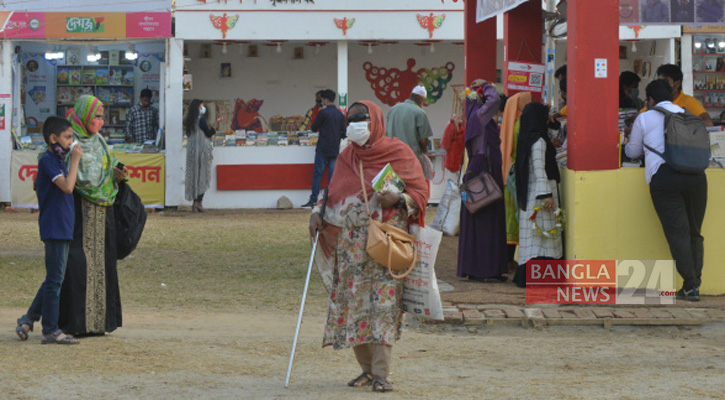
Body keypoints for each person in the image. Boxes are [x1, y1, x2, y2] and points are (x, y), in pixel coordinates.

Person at [308, 100, 428, 393]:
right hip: (351, 249)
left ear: (375, 121)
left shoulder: (398, 152)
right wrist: (316, 212)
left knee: (383, 308)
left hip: (385, 245)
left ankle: (381, 374)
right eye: (352, 119)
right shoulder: (347, 156)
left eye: (362, 119)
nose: (355, 125)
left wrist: (398, 200)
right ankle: (365, 371)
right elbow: (332, 193)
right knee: (354, 307)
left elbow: (420, 192)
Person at [625, 79, 708, 301]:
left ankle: (690, 286)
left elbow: (632, 152)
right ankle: (694, 284)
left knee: (677, 234)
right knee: (694, 232)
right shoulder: (687, 113)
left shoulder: (645, 117)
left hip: (665, 179)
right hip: (697, 178)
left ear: (650, 100)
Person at [58, 95, 128, 335]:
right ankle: (77, 324)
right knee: (77, 267)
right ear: (83, 115)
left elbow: (111, 166)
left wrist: (119, 175)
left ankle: (99, 323)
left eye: (101, 117)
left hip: (103, 215)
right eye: (96, 116)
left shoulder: (100, 142)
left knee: (103, 267)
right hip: (77, 213)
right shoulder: (69, 142)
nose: (100, 121)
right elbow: (62, 174)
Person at [15, 117, 83, 344]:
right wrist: (75, 161)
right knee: (55, 280)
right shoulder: (48, 160)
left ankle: (28, 318)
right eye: (67, 137)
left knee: (54, 278)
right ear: (54, 138)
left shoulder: (57, 159)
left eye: (71, 138)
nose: (71, 142)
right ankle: (51, 330)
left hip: (62, 225)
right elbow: (67, 187)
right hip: (54, 226)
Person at [456, 79, 508, 282]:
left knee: (477, 220)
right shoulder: (480, 115)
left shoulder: (474, 117)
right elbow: (494, 99)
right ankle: (487, 270)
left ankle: (478, 269)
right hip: (484, 171)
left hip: (477, 170)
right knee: (487, 220)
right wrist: (486, 85)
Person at [513, 102, 563, 288]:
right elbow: (539, 168)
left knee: (533, 238)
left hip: (531, 192)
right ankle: (542, 277)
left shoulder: (527, 137)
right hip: (541, 194)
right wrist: (546, 195)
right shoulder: (539, 141)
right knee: (544, 235)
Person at [500, 91, 532, 271]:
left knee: (509, 218)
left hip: (507, 174)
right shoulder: (520, 125)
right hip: (515, 175)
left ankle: (508, 258)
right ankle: (509, 259)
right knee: (513, 218)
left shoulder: (509, 122)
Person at [301, 89, 346, 208]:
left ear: (325, 99)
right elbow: (344, 133)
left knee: (318, 174)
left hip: (322, 147)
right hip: (334, 148)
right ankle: (330, 200)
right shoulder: (340, 114)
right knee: (332, 176)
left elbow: (314, 128)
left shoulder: (323, 113)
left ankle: (314, 199)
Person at [385, 85, 434, 178]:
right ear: (421, 100)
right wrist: (424, 150)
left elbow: (386, 134)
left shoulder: (393, 109)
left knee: (396, 188)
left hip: (393, 158)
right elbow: (424, 140)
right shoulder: (419, 112)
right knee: (412, 189)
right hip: (412, 160)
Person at [644, 64, 714, 126]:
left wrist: (680, 125)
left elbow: (708, 123)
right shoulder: (656, 100)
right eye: (660, 82)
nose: (662, 85)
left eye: (665, 82)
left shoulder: (688, 101)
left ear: (677, 84)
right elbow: (640, 116)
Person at [185, 99, 218, 213]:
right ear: (198, 107)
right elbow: (208, 133)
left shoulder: (189, 121)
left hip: (192, 153)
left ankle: (194, 203)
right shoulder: (201, 120)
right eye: (202, 106)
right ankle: (199, 203)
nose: (203, 108)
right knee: (202, 176)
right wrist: (216, 125)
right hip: (202, 152)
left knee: (194, 176)